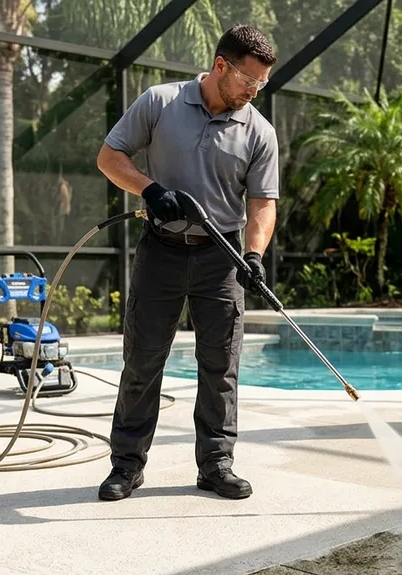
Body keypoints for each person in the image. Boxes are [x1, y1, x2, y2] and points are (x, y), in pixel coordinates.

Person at [94, 25, 279, 501]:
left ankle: (216, 464)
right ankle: (126, 465)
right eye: (248, 80)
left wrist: (253, 255)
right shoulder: (161, 102)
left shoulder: (259, 131)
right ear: (221, 65)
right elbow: (109, 157)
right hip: (161, 250)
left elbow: (262, 203)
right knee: (143, 359)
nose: (253, 91)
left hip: (222, 257)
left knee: (221, 365)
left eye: (261, 84)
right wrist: (150, 189)